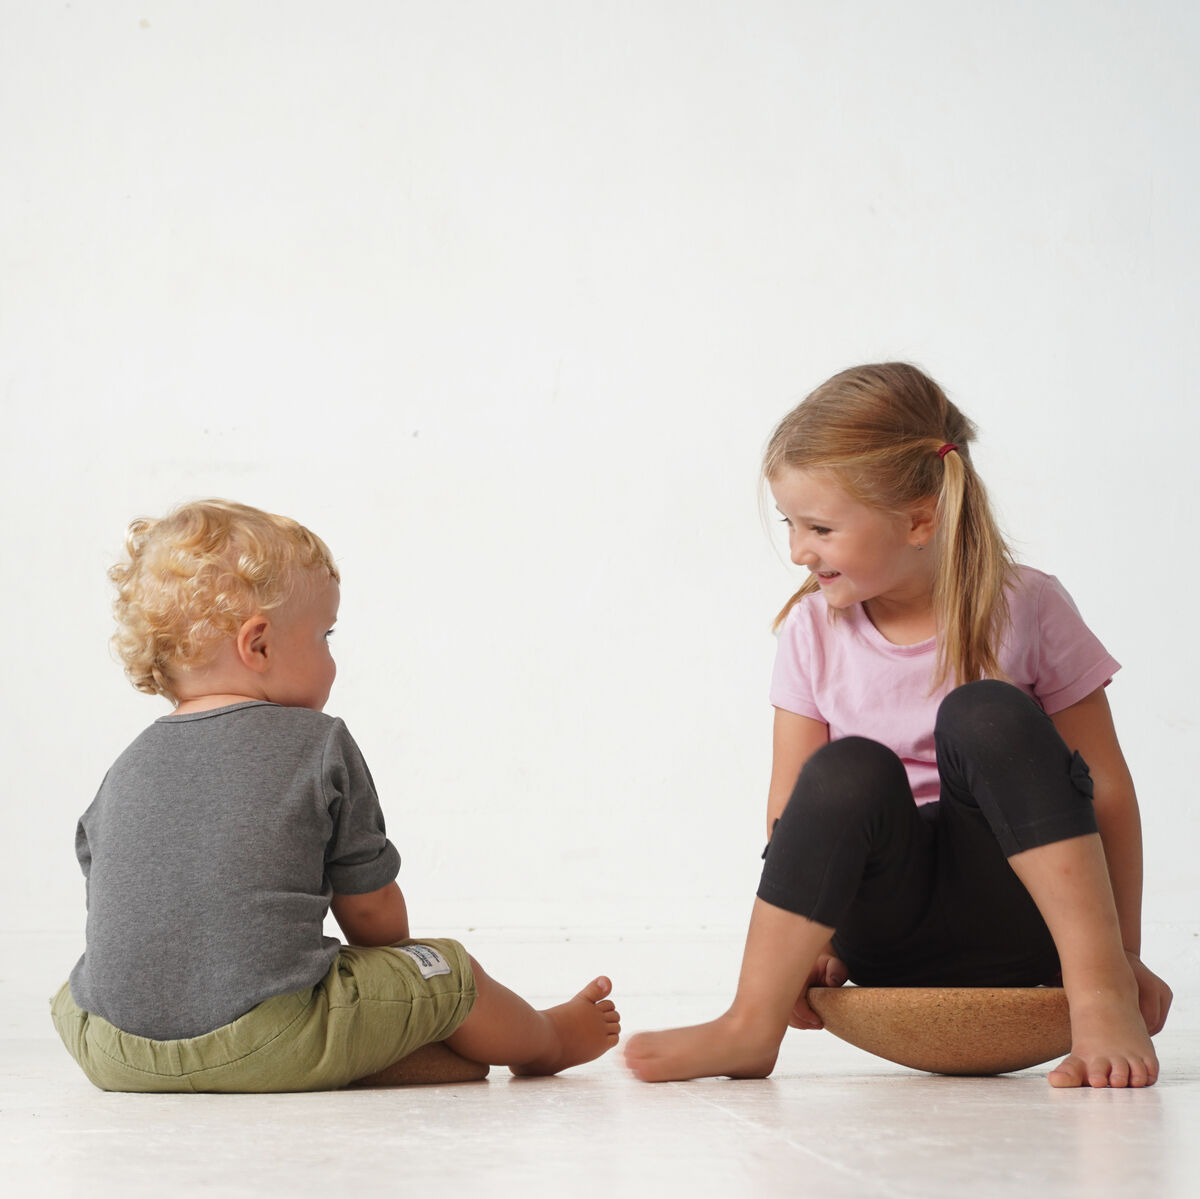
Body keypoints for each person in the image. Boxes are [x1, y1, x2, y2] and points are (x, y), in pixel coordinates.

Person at [625, 362, 1170, 1089]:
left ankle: (1097, 993)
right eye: (790, 524)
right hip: (887, 925)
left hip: (1023, 917)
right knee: (846, 768)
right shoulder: (812, 632)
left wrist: (1121, 961)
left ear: (920, 518)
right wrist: (802, 954)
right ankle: (749, 1022)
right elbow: (792, 810)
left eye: (819, 527)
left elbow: (1104, 792)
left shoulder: (1029, 605)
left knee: (986, 713)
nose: (797, 550)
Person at [52, 499, 619, 1092]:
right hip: (270, 1035)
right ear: (260, 646)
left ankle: (360, 1055)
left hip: (113, 1051)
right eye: (324, 636)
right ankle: (547, 1040)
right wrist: (405, 977)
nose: (331, 658)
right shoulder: (317, 743)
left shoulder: (124, 766)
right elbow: (371, 915)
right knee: (447, 971)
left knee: (71, 990)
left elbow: (123, 908)